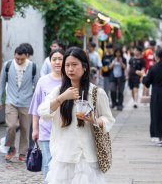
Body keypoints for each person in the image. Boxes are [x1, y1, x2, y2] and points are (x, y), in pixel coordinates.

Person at [38, 47, 115, 184]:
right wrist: (62, 98)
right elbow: (43, 112)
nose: (70, 69)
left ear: (84, 67)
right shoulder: (58, 92)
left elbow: (108, 119)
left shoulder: (96, 93)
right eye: (67, 65)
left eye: (74, 65)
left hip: (87, 156)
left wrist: (94, 120)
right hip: (64, 156)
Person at [0, 45, 39, 162]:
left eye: (22, 59)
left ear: (27, 57)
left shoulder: (33, 67)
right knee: (11, 126)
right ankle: (11, 147)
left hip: (27, 102)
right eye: (17, 58)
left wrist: (38, 104)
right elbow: (1, 83)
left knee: (25, 128)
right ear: (14, 56)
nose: (19, 61)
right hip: (11, 101)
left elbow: (38, 88)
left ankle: (23, 152)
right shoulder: (7, 65)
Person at [29, 49, 64, 181]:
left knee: (61, 163)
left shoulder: (69, 80)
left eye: (60, 59)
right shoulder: (42, 81)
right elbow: (36, 107)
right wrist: (35, 129)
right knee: (48, 163)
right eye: (54, 59)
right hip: (46, 130)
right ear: (50, 62)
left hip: (63, 130)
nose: (57, 62)